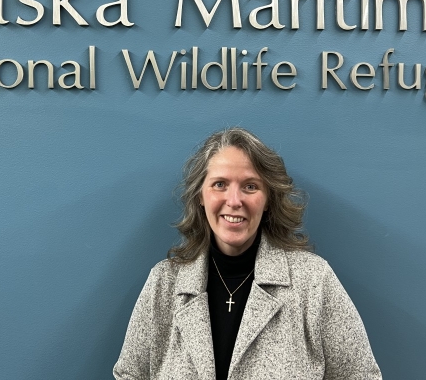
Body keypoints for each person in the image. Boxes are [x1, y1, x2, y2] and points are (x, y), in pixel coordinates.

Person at [113, 128, 382, 380]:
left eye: (250, 186)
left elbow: (360, 375)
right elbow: (129, 374)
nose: (234, 200)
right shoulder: (164, 282)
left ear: (267, 200)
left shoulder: (313, 281)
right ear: (200, 196)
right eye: (219, 184)